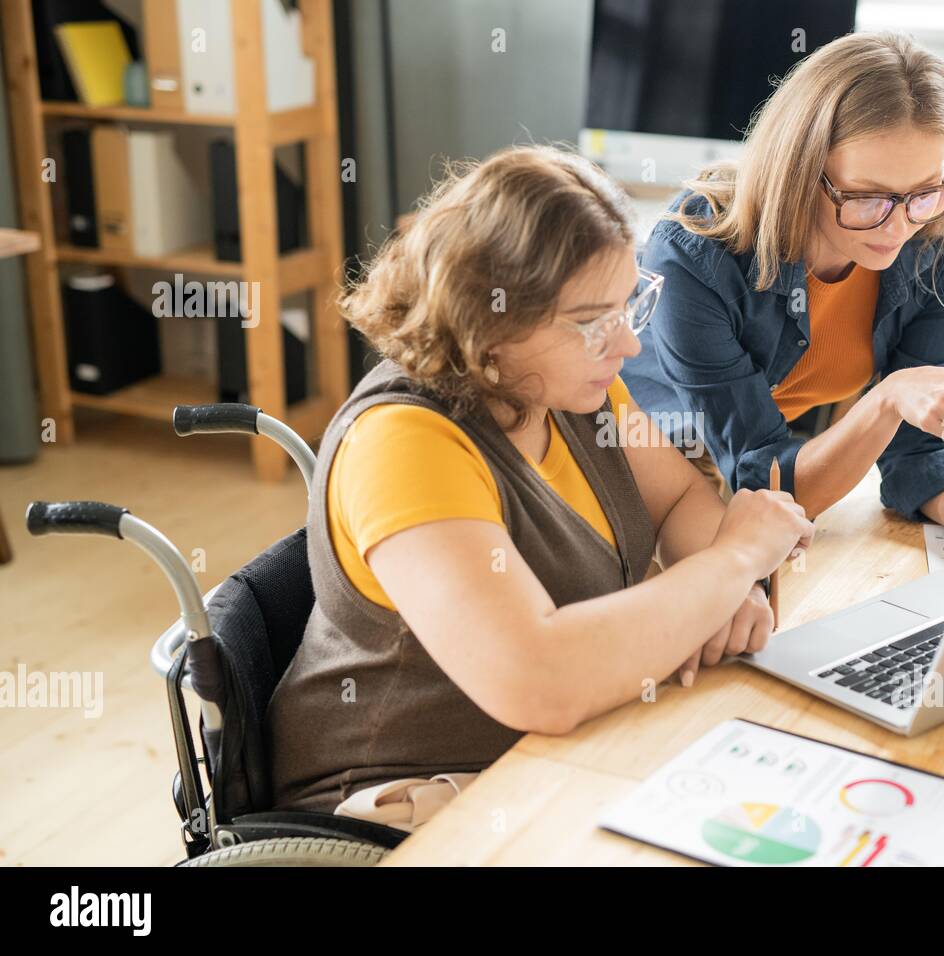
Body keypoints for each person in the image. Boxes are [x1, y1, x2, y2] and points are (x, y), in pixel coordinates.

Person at [267, 146, 813, 828]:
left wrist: (719, 587)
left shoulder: (572, 388)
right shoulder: (403, 442)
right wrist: (735, 562)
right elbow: (540, 682)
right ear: (488, 319)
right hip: (404, 799)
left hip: (558, 752)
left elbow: (677, 500)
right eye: (591, 322)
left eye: (628, 307)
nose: (627, 349)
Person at [623, 31, 944, 536]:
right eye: (867, 198)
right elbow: (767, 481)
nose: (899, 228)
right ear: (801, 170)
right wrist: (890, 398)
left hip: (762, 475)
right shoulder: (698, 252)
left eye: (926, 191)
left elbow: (922, 451)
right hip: (650, 461)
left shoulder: (942, 239)